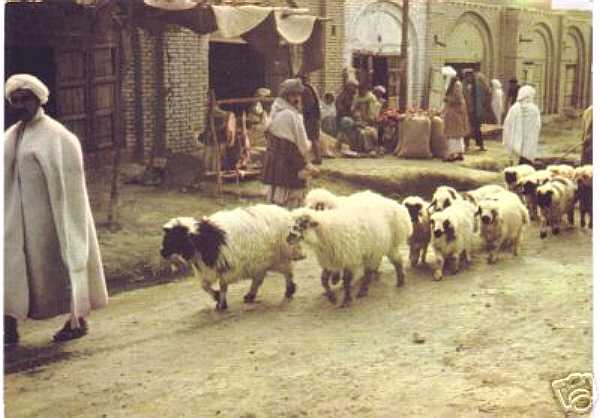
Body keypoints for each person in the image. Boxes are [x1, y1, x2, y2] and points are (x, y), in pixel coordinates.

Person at [4, 74, 108, 346]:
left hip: (50, 221)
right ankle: (8, 324)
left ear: (38, 100)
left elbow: (71, 191)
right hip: (16, 220)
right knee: (11, 266)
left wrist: (68, 225)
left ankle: (77, 320)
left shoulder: (59, 137)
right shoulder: (10, 137)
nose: (19, 105)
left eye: (25, 99)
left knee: (61, 266)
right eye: (14, 100)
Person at [262, 78, 313, 209]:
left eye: (298, 95)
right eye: (293, 95)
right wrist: (307, 158)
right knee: (291, 200)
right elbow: (302, 145)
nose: (297, 98)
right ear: (286, 96)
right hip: (289, 161)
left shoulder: (275, 111)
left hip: (278, 162)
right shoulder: (290, 115)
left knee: (277, 197)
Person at [502, 85, 541, 165]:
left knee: (516, 164)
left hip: (515, 143)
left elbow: (507, 125)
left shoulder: (514, 108)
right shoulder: (534, 109)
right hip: (529, 142)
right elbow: (537, 125)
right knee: (526, 164)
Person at [442, 71, 470, 162]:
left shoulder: (456, 85)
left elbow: (457, 99)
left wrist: (447, 99)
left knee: (453, 135)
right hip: (454, 112)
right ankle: (459, 153)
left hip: (455, 113)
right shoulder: (456, 84)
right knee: (457, 135)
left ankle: (452, 154)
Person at [463, 69, 492, 152]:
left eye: (470, 76)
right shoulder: (463, 85)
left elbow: (484, 95)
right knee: (467, 128)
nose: (469, 78)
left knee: (477, 129)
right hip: (467, 110)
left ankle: (480, 145)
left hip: (476, 110)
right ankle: (466, 145)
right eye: (467, 76)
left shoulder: (477, 85)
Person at [299, 73, 322, 165]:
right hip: (313, 117)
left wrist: (302, 112)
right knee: (313, 138)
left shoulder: (306, 90)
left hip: (311, 118)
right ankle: (316, 157)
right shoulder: (311, 88)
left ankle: (317, 157)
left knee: (312, 138)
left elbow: (309, 104)